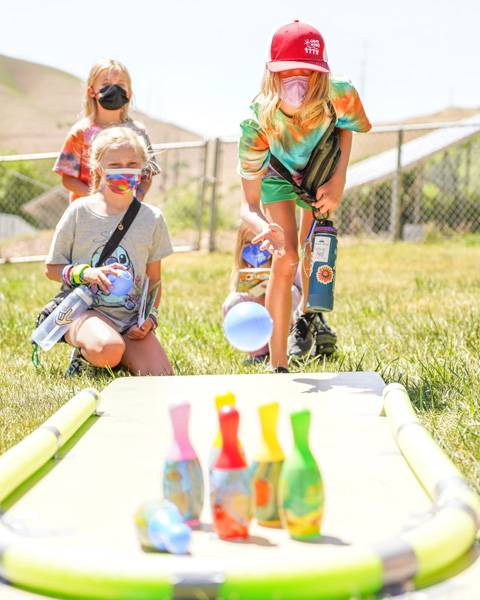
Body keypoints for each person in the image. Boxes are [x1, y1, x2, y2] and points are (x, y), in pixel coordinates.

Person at [238, 20, 371, 372]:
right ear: (272, 74)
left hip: (317, 173)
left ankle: (307, 316)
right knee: (285, 258)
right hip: (277, 177)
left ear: (322, 74)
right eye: (288, 71)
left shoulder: (339, 94)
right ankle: (278, 363)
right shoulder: (257, 122)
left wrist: (339, 178)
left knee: (314, 251)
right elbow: (248, 203)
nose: (298, 80)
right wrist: (263, 227)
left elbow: (346, 128)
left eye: (308, 72)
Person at [45, 126, 173, 376]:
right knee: (108, 349)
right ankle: (89, 353)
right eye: (114, 164)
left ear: (143, 167)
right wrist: (86, 273)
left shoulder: (153, 218)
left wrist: (150, 318)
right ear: (99, 167)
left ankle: (116, 353)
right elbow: (51, 269)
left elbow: (154, 281)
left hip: (130, 320)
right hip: (84, 311)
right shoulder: (79, 212)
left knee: (160, 375)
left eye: (132, 163)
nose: (124, 170)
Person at [53, 58, 159, 202]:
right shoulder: (81, 132)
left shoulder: (138, 132)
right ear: (91, 91)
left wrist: (136, 199)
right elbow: (68, 178)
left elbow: (148, 174)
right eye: (106, 84)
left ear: (129, 93)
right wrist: (97, 198)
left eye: (120, 84)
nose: (114, 89)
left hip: (126, 211)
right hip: (87, 210)